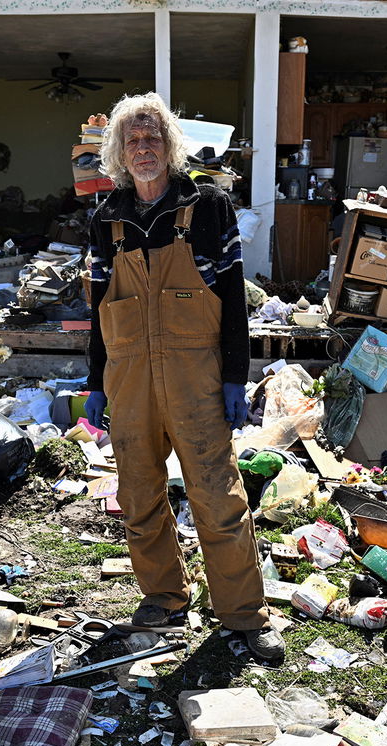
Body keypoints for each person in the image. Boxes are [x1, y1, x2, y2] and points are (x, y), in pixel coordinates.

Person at [83, 93, 284, 660]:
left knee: (216, 494)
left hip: (197, 375)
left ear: (169, 145)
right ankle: (165, 597)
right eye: (132, 140)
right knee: (139, 494)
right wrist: (96, 381)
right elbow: (101, 306)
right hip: (128, 378)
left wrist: (234, 377)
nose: (142, 149)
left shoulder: (209, 206)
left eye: (152, 138)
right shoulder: (107, 219)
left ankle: (244, 613)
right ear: (119, 153)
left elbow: (233, 301)